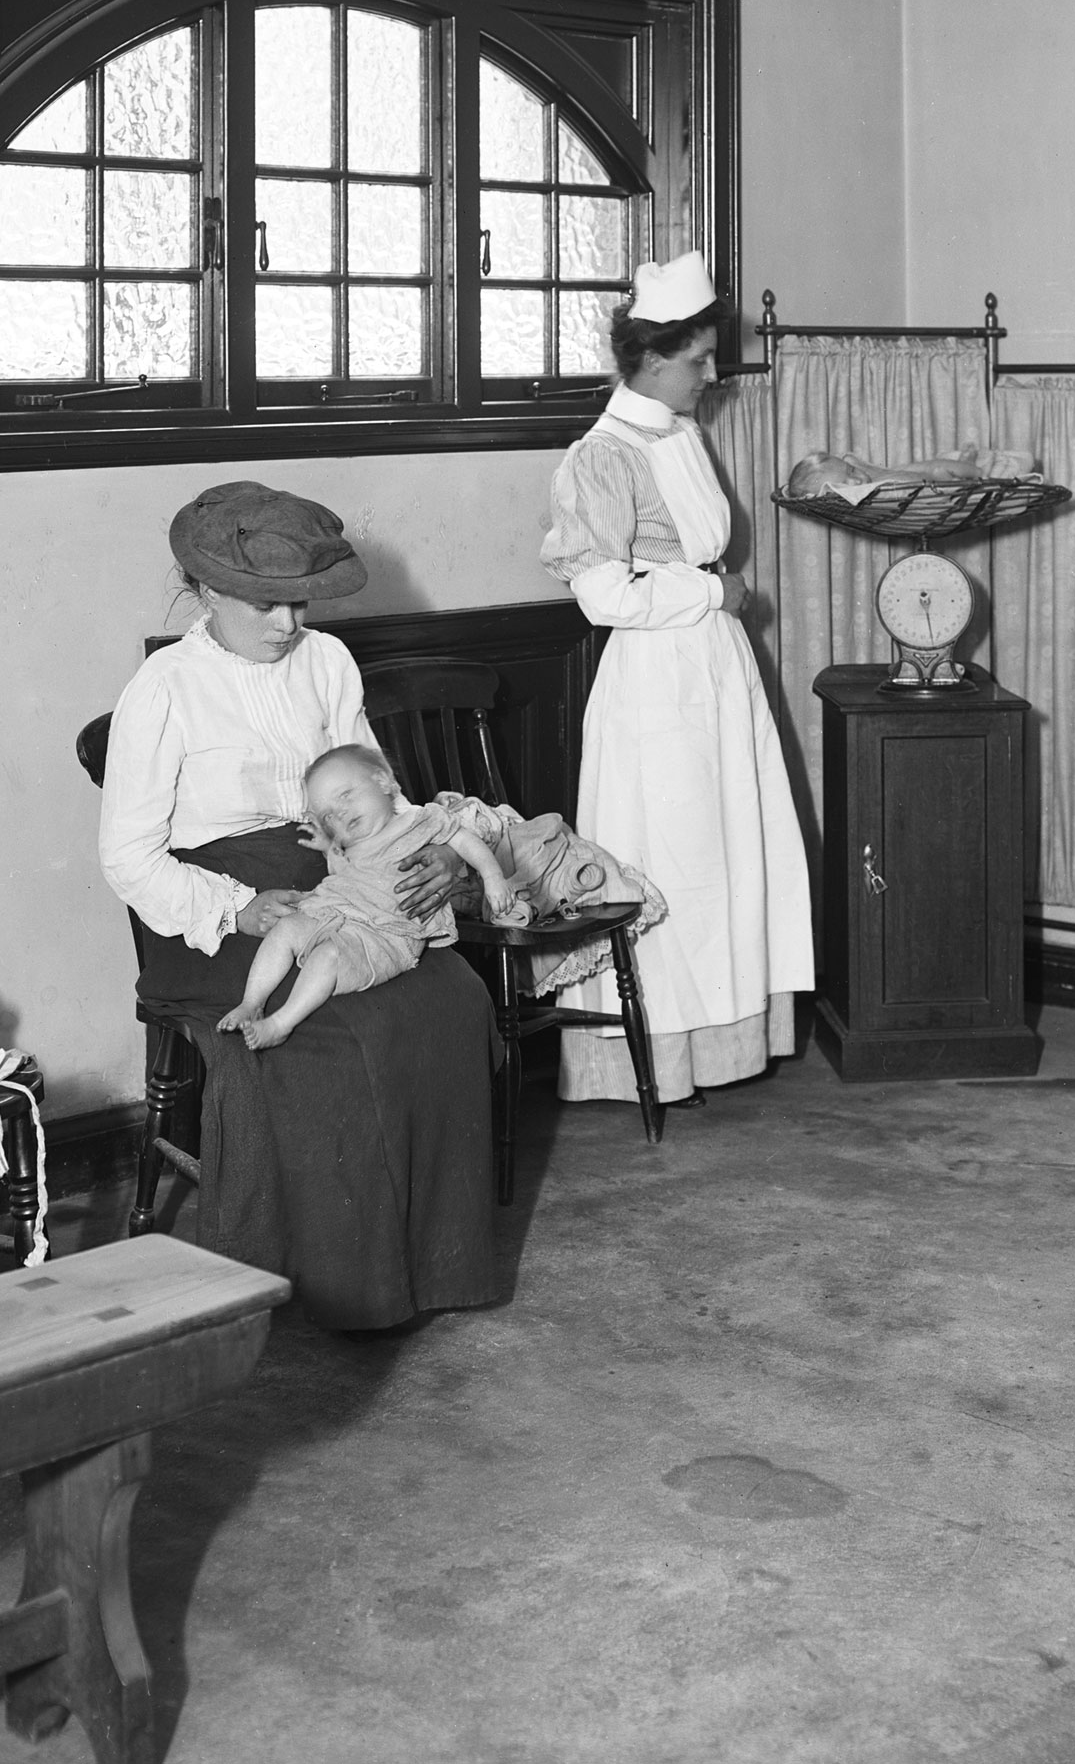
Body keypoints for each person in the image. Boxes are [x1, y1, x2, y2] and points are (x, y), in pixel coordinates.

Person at [97, 481, 499, 1329]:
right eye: (266, 604)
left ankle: (435, 1266)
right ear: (205, 590)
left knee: (453, 998)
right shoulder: (163, 688)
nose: (288, 625)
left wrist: (422, 852)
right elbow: (127, 855)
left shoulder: (327, 661)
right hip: (209, 905)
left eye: (300, 604)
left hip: (338, 878)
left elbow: (372, 790)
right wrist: (238, 908)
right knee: (336, 1029)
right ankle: (337, 1287)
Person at [540, 250, 812, 1105]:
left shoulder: (681, 431)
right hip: (657, 679)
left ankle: (723, 1046)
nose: (712, 372)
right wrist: (712, 589)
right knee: (675, 853)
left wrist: (715, 602)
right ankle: (651, 1055)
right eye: (697, 359)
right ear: (653, 359)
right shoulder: (600, 456)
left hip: (715, 668)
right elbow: (601, 595)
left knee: (728, 850)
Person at [219, 746, 522, 1051]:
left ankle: (281, 1023)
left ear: (384, 782)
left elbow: (466, 842)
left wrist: (493, 877)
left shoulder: (422, 820)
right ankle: (251, 1003)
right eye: (328, 815)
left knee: (328, 957)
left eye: (346, 795)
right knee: (284, 930)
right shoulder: (350, 843)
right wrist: (329, 848)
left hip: (386, 934)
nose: (339, 813)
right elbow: (343, 874)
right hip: (338, 911)